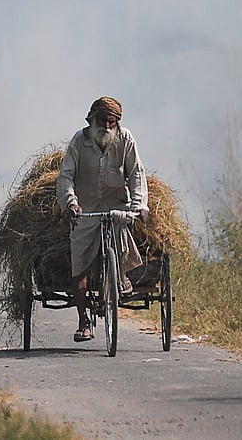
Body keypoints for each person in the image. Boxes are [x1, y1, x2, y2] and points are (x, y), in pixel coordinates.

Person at [56, 96, 150, 342]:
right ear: (93, 118)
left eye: (112, 122)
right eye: (103, 121)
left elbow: (137, 175)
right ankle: (83, 320)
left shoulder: (126, 138)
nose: (107, 126)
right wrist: (71, 203)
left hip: (115, 208)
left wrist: (140, 206)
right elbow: (65, 176)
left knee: (120, 240)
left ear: (117, 123)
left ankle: (121, 276)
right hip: (85, 210)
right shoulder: (80, 140)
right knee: (80, 262)